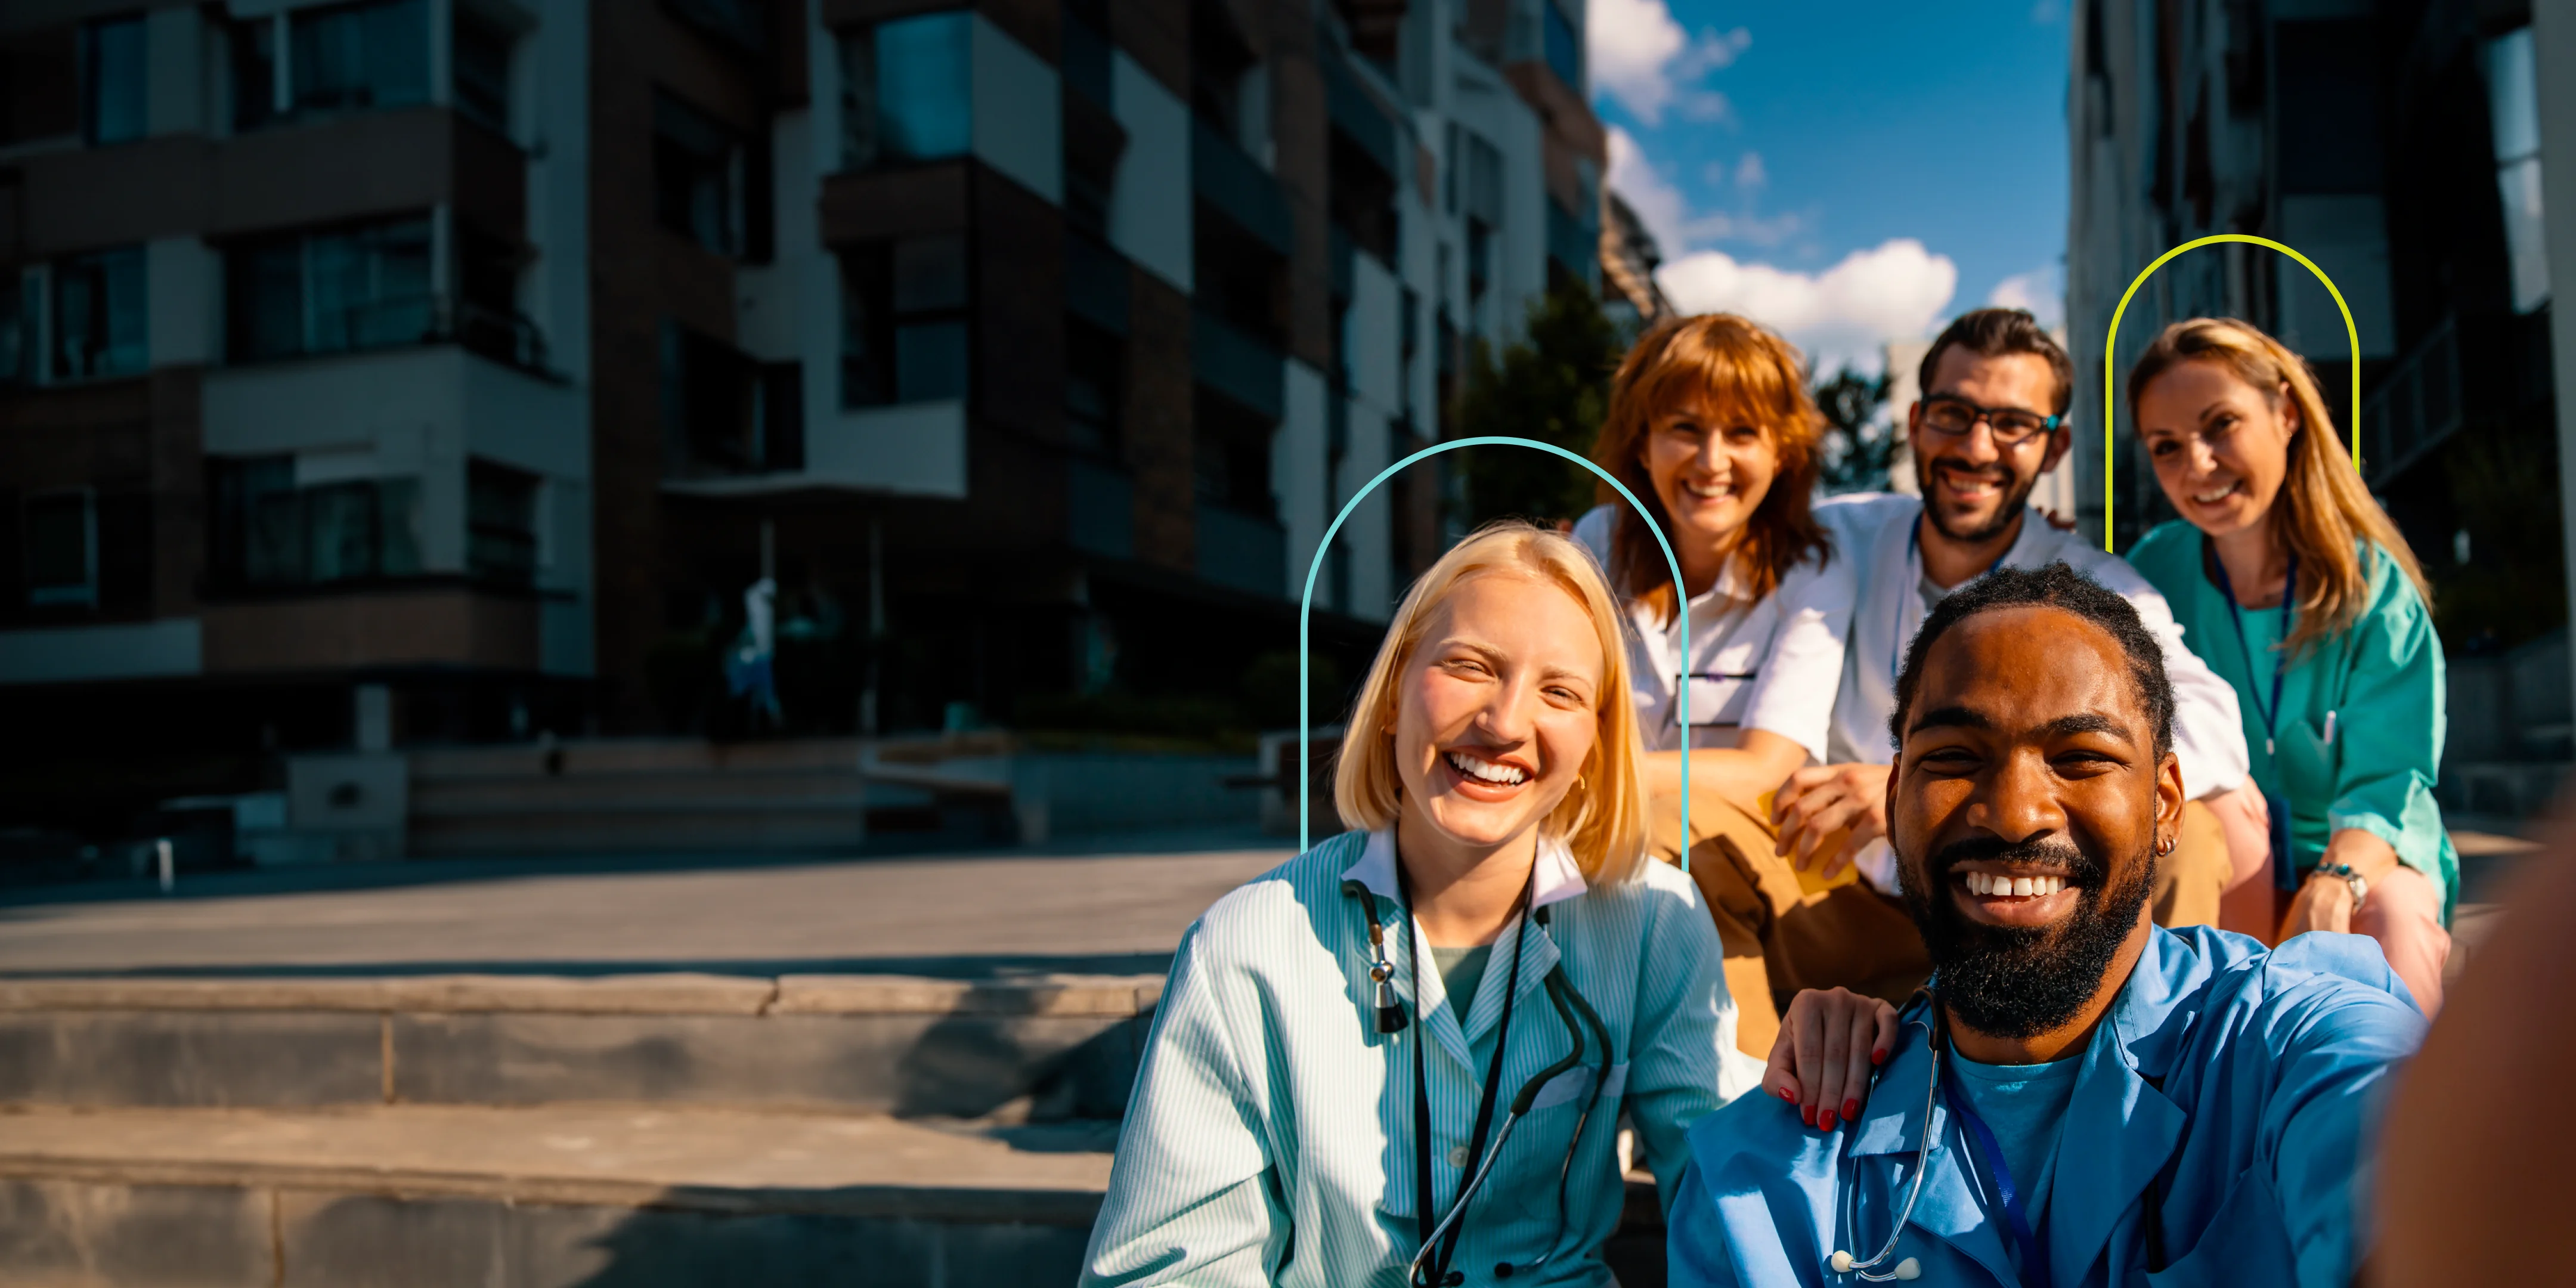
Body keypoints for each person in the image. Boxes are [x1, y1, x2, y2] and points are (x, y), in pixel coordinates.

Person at [1080, 522, 1887, 1287]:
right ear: (1392, 694)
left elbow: (1727, 1191)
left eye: (1560, 691)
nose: (1504, 724)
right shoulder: (1246, 945)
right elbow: (1170, 1266)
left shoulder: (1654, 920)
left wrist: (1823, 1080)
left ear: (1595, 742)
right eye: (1469, 666)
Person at [1667, 562, 2428, 1287]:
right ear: (1894, 801)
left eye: (2081, 758)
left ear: (2166, 804)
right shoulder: (1763, 1177)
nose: (2013, 813)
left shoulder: (2287, 1046)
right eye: (1955, 756)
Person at [1758, 308, 2267, 1021]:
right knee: (1695, 842)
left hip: (2018, 898)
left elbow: (2210, 725)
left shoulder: (2095, 582)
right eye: (1954, 414)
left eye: (2013, 425)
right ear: (1916, 423)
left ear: (2054, 448)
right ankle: (1731, 1089)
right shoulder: (1839, 535)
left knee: (2190, 836)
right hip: (1838, 887)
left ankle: (2144, 1068)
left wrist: (1912, 787)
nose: (1976, 447)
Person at [2124, 317, 2456, 1014]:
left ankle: (2408, 1086)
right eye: (2167, 447)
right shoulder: (2152, 572)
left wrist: (2335, 880)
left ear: (2286, 413)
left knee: (2388, 927)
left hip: (2362, 858)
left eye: (2221, 425)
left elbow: (2389, 784)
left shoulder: (2374, 589)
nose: (2198, 466)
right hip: (2224, 855)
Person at [1567, 314, 1858, 1058]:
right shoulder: (1597, 545)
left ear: (1782, 451)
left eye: (1742, 433)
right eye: (1685, 429)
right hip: (1619, 846)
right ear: (1642, 441)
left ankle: (1738, 1102)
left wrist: (1586, 773)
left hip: (1779, 858)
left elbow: (1765, 768)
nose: (1712, 460)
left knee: (1659, 836)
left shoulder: (1812, 567)